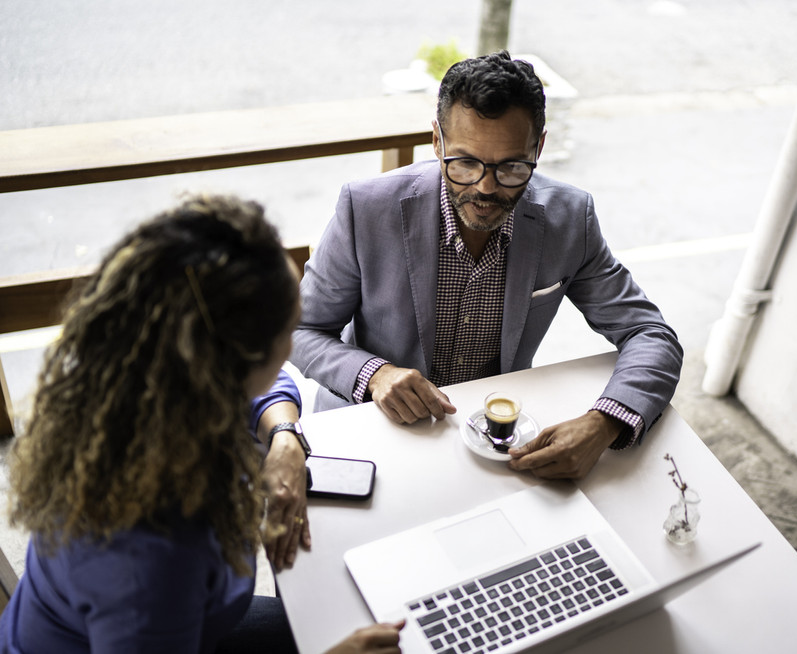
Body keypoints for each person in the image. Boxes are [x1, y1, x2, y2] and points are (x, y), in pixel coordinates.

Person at [0, 196, 403, 654]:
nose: (295, 343)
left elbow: (263, 390)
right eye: (288, 330)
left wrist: (284, 437)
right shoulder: (150, 559)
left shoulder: (134, 380)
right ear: (226, 363)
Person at [279, 51, 683, 480]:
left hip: (491, 445)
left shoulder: (570, 219)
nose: (486, 188)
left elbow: (650, 334)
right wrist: (374, 374)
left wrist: (606, 423)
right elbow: (301, 330)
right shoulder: (365, 209)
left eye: (512, 166)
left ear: (539, 147)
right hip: (372, 431)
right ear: (437, 141)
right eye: (465, 162)